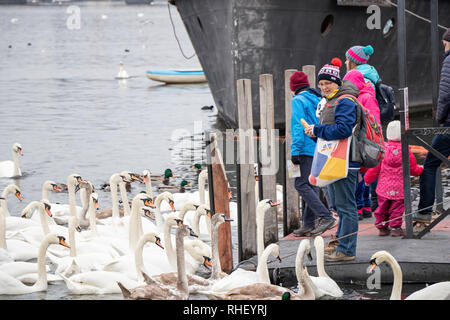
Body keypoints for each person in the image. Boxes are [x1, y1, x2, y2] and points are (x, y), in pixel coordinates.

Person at [304, 58, 361, 262]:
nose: (324, 87)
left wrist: (317, 129)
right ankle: (340, 242)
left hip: (347, 161)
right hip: (337, 159)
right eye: (320, 84)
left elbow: (344, 129)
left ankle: (347, 249)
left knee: (346, 205)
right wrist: (315, 132)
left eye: (327, 83)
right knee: (339, 203)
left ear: (337, 82)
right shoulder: (334, 99)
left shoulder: (344, 100)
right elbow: (334, 129)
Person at [289, 71, 337, 237]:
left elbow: (298, 126)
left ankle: (325, 216)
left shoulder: (297, 100)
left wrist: (294, 150)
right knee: (311, 185)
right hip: (318, 146)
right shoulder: (317, 99)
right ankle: (308, 224)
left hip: (304, 148)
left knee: (300, 185)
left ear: (293, 88)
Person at [414, 28, 450, 224]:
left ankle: (424, 211)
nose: (444, 48)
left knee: (430, 163)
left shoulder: (449, 60)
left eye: (445, 44)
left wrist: (441, 119)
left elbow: (445, 94)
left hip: (449, 125)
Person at [364, 121, 423, 237]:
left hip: (383, 186)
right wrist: (421, 171)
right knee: (397, 208)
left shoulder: (382, 150)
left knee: (382, 208)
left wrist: (367, 179)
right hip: (400, 187)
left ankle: (382, 228)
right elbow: (413, 168)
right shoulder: (406, 151)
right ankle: (395, 228)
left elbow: (374, 168)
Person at [345, 44, 381, 214]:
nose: (345, 62)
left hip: (362, 136)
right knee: (364, 170)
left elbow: (371, 116)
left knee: (360, 170)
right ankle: (365, 204)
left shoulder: (362, 90)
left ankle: (360, 205)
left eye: (347, 59)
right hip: (366, 135)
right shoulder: (370, 81)